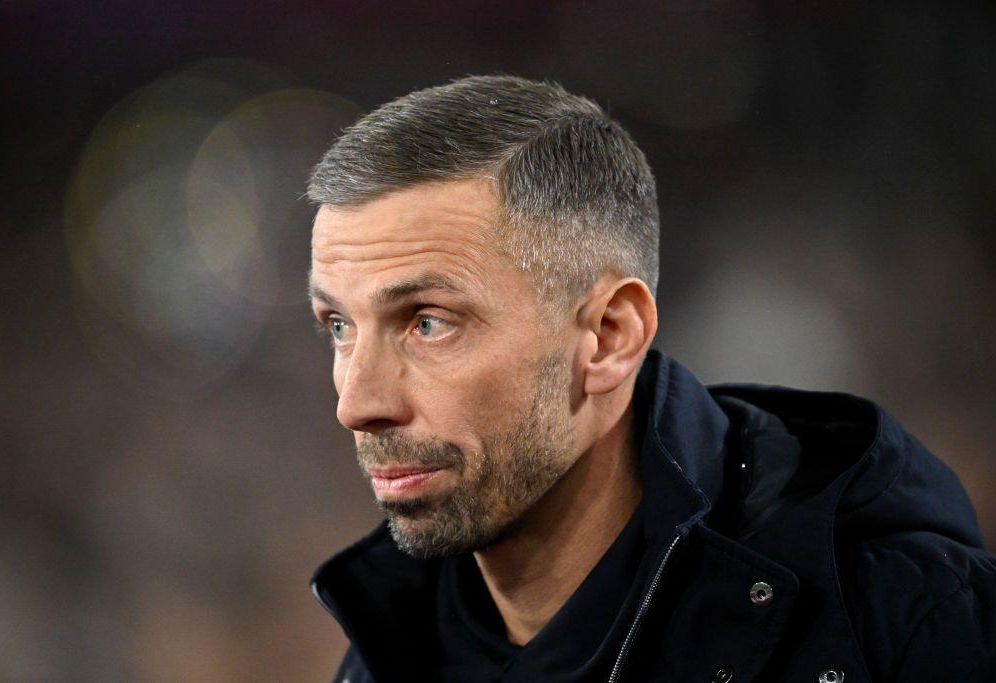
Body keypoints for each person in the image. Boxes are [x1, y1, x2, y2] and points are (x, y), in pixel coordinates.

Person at [306, 75, 996, 682]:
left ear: (609, 336)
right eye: (339, 325)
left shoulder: (900, 622)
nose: (358, 402)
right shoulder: (381, 655)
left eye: (428, 322)